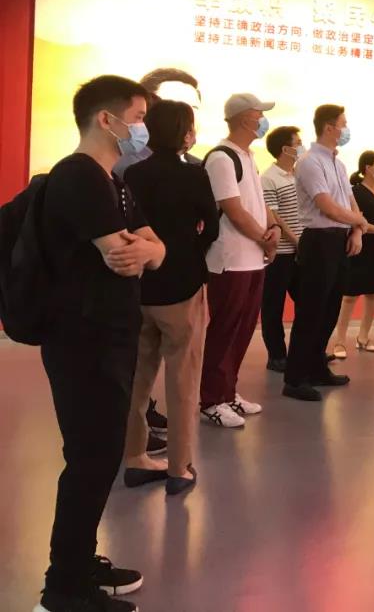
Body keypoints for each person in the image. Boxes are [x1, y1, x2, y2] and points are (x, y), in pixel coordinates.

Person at [35, 75, 166, 612]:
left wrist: (150, 250)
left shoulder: (114, 181)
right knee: (90, 458)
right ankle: (64, 589)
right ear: (106, 120)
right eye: (137, 118)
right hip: (82, 340)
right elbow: (121, 255)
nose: (142, 129)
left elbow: (154, 248)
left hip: (109, 337)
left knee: (99, 454)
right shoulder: (78, 177)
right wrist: (145, 251)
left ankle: (79, 562)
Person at [122, 100, 219, 496]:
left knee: (136, 379)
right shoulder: (194, 174)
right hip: (183, 286)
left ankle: (134, 458)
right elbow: (212, 228)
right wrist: (189, 246)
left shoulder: (133, 174)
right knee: (183, 380)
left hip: (139, 286)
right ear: (184, 133)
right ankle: (179, 467)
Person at [200, 93, 280, 427]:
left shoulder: (248, 156)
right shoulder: (222, 157)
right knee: (225, 329)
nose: (263, 120)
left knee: (244, 329)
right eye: (259, 114)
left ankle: (228, 392)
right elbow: (233, 209)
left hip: (253, 258)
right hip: (230, 258)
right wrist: (264, 237)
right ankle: (211, 400)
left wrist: (272, 229)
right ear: (246, 118)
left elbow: (258, 203)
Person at [283, 105, 369, 401]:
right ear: (329, 127)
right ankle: (295, 379)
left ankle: (317, 368)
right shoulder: (310, 162)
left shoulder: (338, 164)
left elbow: (350, 201)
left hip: (339, 240)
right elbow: (326, 206)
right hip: (318, 240)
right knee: (311, 310)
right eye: (344, 124)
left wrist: (357, 229)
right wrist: (359, 222)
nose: (346, 129)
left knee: (331, 308)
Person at [331, 151, 374, 358]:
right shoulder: (356, 192)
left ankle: (364, 337)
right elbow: (359, 221)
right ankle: (340, 341)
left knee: (372, 294)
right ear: (368, 168)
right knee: (350, 296)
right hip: (359, 246)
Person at [260, 126, 304, 373]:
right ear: (285, 149)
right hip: (281, 254)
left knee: (308, 303)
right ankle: (276, 356)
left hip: (303, 252)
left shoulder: (301, 175)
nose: (301, 146)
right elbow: (274, 216)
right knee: (273, 306)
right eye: (298, 143)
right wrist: (296, 240)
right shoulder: (269, 178)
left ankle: (304, 352)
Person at [114, 68, 203, 178]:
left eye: (193, 108)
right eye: (172, 109)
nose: (186, 119)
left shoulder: (202, 168)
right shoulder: (125, 167)